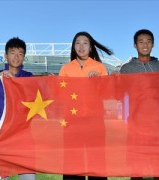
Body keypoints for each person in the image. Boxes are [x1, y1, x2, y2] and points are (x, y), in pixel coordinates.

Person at [0, 37, 36, 180]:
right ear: (5, 55)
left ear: (24, 57)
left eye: (20, 53)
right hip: (1, 138)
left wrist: (14, 83)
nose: (16, 57)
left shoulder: (30, 79)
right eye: (12, 52)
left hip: (24, 139)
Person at [119, 29, 159, 180]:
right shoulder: (126, 69)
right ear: (135, 45)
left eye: (148, 41)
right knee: (137, 169)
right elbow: (116, 92)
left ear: (153, 45)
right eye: (141, 41)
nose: (145, 44)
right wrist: (112, 80)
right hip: (137, 125)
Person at [59, 31, 112, 180]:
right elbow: (61, 96)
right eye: (78, 43)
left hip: (95, 123)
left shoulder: (100, 67)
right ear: (73, 47)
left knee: (97, 164)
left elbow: (107, 95)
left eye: (85, 43)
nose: (81, 46)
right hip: (72, 123)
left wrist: (98, 84)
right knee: (72, 165)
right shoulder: (65, 68)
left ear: (90, 47)